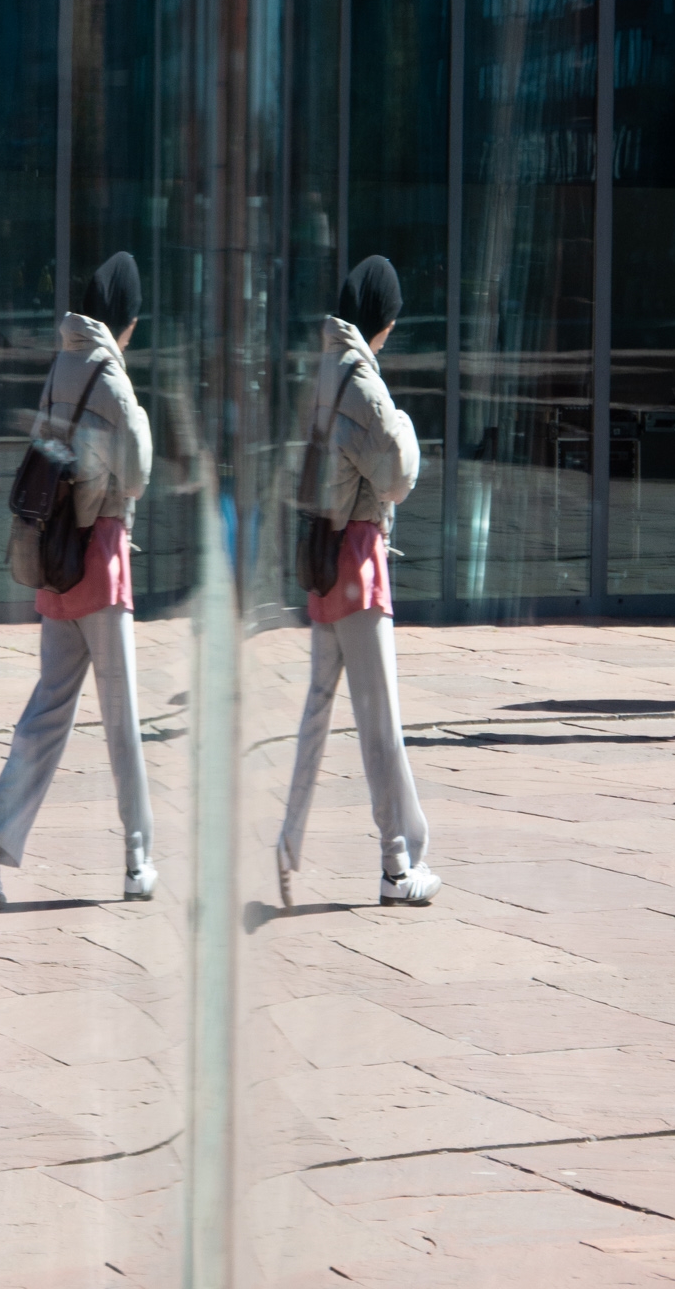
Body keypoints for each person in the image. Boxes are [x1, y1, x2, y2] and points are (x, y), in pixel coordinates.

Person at [0, 252, 156, 909]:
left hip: (55, 556)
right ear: (126, 320)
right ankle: (138, 859)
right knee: (121, 716)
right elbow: (136, 473)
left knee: (49, 708)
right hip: (98, 553)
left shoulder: (62, 365)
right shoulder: (112, 377)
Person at [277, 255, 441, 909]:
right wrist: (406, 423)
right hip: (357, 558)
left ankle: (289, 839)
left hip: (320, 554)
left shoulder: (321, 370)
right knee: (381, 721)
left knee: (319, 707)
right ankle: (398, 865)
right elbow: (397, 474)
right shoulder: (364, 383)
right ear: (383, 319)